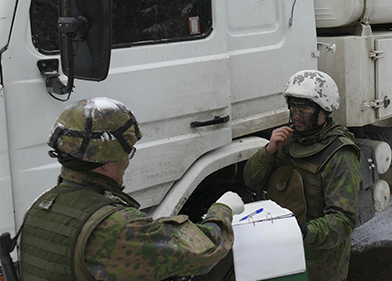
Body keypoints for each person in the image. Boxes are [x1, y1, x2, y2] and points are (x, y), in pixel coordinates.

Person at [18, 97, 244, 280]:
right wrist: (222, 210)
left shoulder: (41, 207)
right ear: (108, 161)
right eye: (127, 153)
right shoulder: (116, 227)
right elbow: (204, 251)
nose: (127, 161)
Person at [243, 70, 360, 281]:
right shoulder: (288, 141)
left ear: (324, 111)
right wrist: (269, 152)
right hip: (283, 250)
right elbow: (252, 181)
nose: (296, 114)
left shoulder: (339, 154)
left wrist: (303, 231)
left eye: (304, 107)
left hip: (320, 260)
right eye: (293, 107)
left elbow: (343, 221)